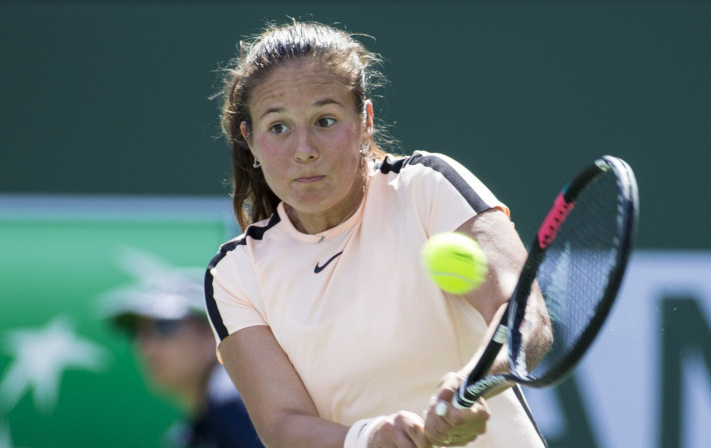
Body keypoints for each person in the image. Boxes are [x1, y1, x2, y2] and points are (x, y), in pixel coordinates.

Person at [204, 20, 552, 448]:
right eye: (279, 127)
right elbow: (281, 424)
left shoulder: (426, 186)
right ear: (249, 140)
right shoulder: (235, 274)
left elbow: (523, 313)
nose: (304, 148)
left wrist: (474, 381)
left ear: (364, 121)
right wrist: (366, 439)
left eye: (325, 120)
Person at [104, 278, 264, 448]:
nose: (147, 347)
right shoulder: (199, 427)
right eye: (137, 332)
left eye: (164, 326)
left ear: (214, 334)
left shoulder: (237, 406)